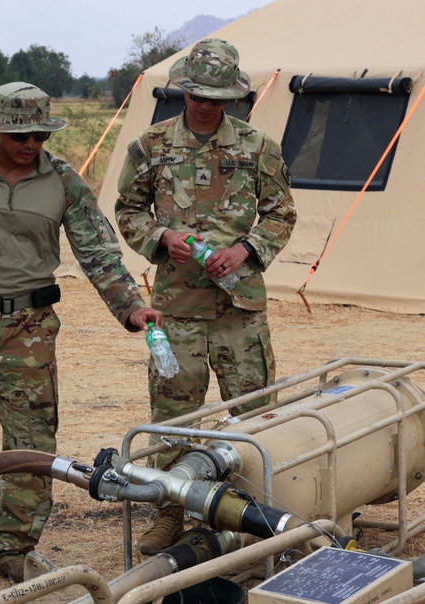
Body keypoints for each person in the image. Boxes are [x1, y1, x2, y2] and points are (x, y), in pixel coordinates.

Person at [0, 82, 163, 599]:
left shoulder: (62, 179)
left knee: (31, 448)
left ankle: (12, 550)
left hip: (31, 332)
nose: (32, 143)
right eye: (21, 134)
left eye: (41, 134)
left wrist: (131, 307)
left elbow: (97, 250)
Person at [115, 38, 296, 556]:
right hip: (178, 313)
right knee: (174, 417)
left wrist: (245, 249)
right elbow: (127, 210)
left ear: (231, 98)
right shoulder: (150, 146)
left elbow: (281, 213)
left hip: (240, 311)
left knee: (256, 414)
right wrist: (162, 239)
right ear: (183, 91)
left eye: (217, 98)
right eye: (197, 95)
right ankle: (170, 514)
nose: (205, 105)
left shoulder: (258, 147)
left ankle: (256, 514)